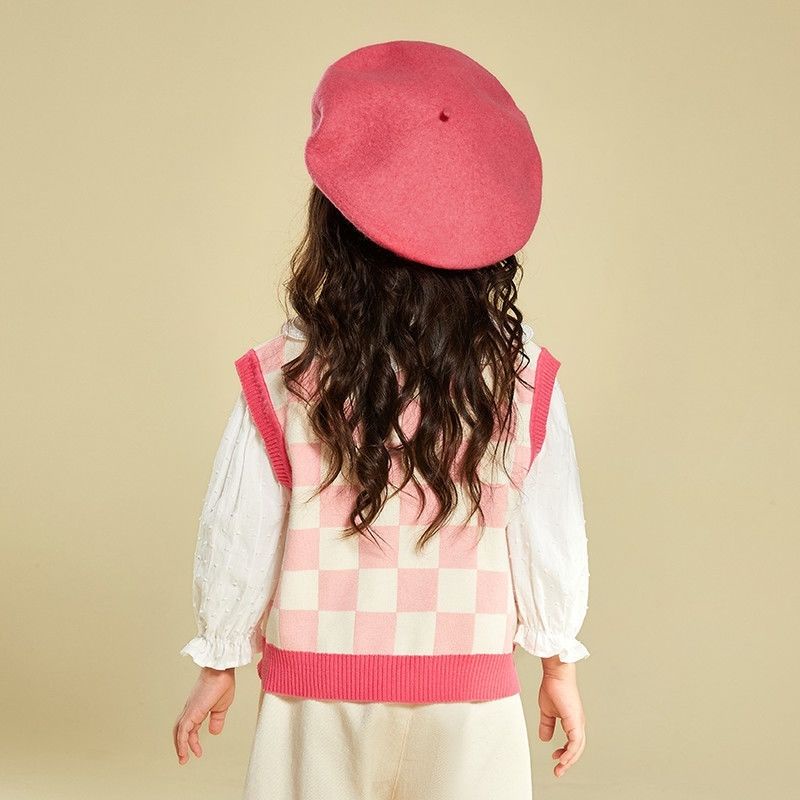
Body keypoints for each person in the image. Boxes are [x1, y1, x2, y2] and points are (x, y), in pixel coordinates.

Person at [173, 39, 590, 800]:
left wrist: (220, 655)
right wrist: (557, 662)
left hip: (315, 698)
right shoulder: (521, 378)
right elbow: (548, 529)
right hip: (471, 698)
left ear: (333, 227)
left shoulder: (285, 373)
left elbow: (241, 527)